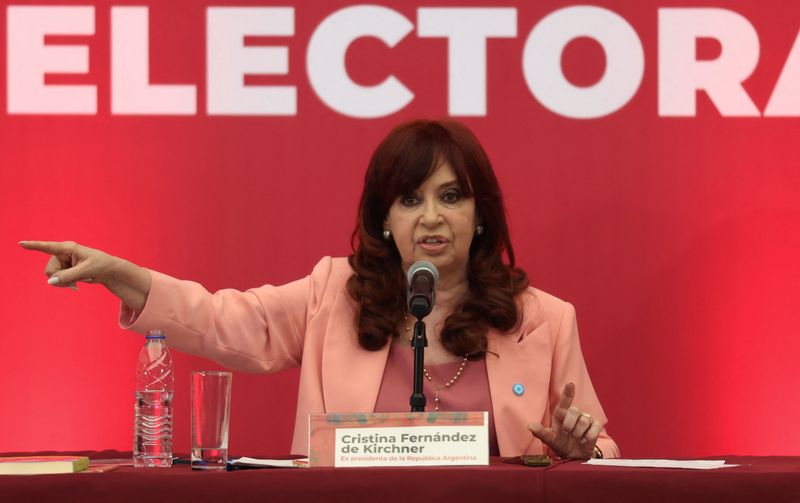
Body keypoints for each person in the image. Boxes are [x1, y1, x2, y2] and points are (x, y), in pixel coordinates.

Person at [20, 119, 619, 459]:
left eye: (451, 196)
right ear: (385, 218)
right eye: (410, 200)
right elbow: (228, 320)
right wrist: (124, 275)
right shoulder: (335, 292)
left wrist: (581, 449)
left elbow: (603, 449)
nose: (431, 217)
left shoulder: (541, 318)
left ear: (479, 215)